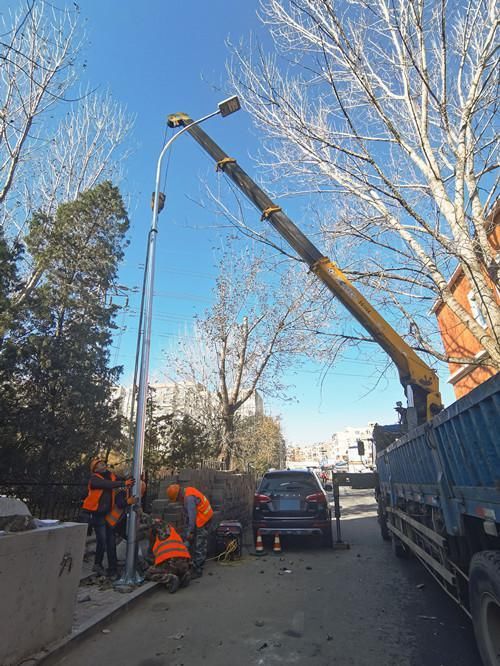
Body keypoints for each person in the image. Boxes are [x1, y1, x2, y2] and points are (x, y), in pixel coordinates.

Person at [82, 458, 133, 580]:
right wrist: (122, 484)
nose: (103, 464)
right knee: (103, 540)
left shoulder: (111, 476)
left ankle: (112, 570)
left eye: (103, 463)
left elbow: (119, 480)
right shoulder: (94, 479)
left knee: (110, 541)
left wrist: (129, 477)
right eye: (99, 464)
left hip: (108, 514)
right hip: (97, 514)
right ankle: (97, 564)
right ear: (95, 469)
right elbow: (107, 485)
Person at [166, 483, 213, 578]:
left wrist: (190, 532)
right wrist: (187, 531)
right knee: (195, 540)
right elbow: (187, 516)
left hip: (203, 518)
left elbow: (192, 516)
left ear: (179, 494)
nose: (178, 501)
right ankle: (193, 563)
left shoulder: (189, 498)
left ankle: (198, 569)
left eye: (177, 499)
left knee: (200, 544)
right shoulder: (187, 492)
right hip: (201, 517)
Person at [145, 519, 191, 593]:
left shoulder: (156, 536)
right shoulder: (173, 531)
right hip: (184, 564)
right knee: (175, 566)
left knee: (148, 573)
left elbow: (155, 557)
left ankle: (170, 578)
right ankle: (184, 574)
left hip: (170, 564)